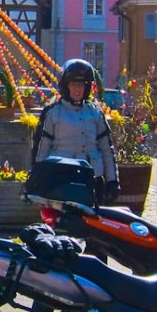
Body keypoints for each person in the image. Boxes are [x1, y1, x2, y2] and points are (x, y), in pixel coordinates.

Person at [32, 59, 119, 205]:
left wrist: (112, 180)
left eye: (81, 85)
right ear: (66, 86)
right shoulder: (53, 112)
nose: (77, 90)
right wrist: (37, 178)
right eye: (73, 85)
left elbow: (106, 148)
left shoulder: (95, 112)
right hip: (62, 177)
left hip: (92, 177)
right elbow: (41, 147)